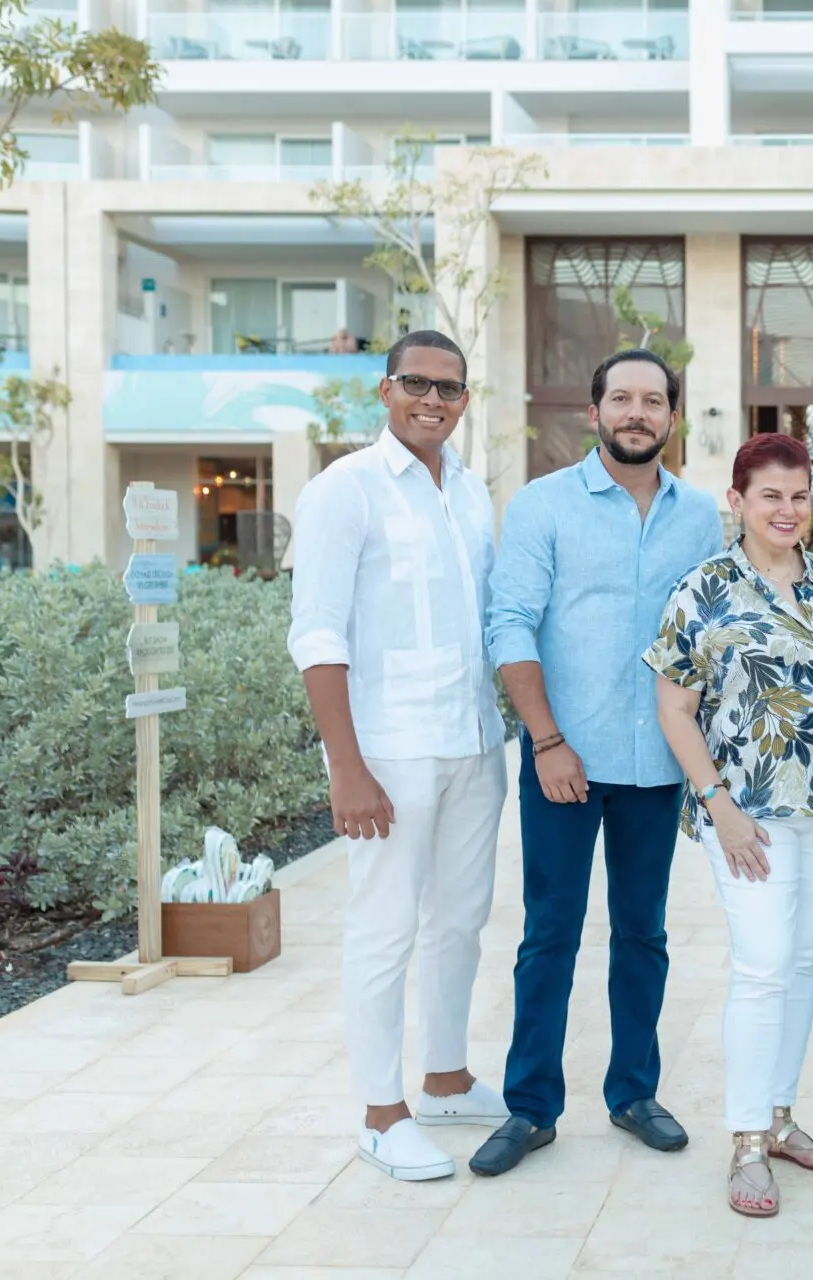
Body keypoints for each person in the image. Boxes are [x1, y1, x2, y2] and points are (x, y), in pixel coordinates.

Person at [468, 348, 723, 1177]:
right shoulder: (543, 507)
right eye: (622, 399)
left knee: (643, 935)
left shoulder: (701, 518)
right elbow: (509, 623)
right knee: (549, 935)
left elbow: (713, 638)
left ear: (672, 418)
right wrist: (545, 740)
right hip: (563, 762)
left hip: (658, 764)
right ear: (595, 412)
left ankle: (633, 1093)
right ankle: (531, 1109)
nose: (637, 413)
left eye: (653, 400)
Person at [287, 330, 510, 1182]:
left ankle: (446, 1077)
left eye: (450, 389)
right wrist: (347, 765)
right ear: (385, 391)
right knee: (383, 929)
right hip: (388, 753)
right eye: (416, 383)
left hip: (473, 742)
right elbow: (316, 633)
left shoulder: (472, 493)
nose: (433, 400)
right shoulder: (344, 491)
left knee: (460, 920)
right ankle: (382, 1114)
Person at [645, 433, 813, 1219]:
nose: (787, 509)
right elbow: (674, 707)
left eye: (799, 495)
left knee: (805, 961)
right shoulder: (703, 589)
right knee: (764, 962)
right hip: (744, 813)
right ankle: (746, 1138)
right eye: (770, 495)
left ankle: (780, 1116)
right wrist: (718, 805)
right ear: (737, 502)